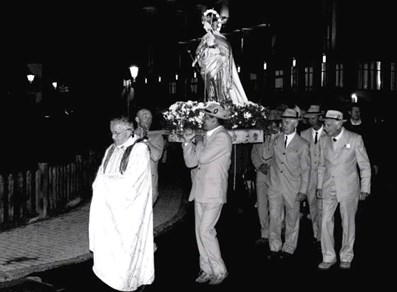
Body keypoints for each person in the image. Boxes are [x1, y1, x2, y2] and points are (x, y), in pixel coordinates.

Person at [88, 116, 154, 291]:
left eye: (116, 133)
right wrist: (102, 184)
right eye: (111, 133)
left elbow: (133, 183)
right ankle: (111, 280)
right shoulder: (111, 149)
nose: (113, 137)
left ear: (128, 131)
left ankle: (130, 283)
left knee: (127, 253)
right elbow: (101, 175)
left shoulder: (140, 150)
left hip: (129, 212)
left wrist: (104, 184)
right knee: (110, 249)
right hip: (110, 212)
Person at [182, 102, 232, 285]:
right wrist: (188, 142)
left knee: (206, 231)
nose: (203, 119)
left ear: (215, 120)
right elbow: (190, 163)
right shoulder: (206, 138)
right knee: (199, 232)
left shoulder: (222, 137)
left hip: (214, 192)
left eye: (207, 117)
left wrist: (199, 141)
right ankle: (206, 268)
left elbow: (202, 157)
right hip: (200, 191)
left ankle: (220, 270)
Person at [316, 110, 371, 270]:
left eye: (327, 125)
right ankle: (328, 256)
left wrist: (365, 188)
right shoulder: (323, 140)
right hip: (328, 187)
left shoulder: (355, 139)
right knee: (325, 221)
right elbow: (321, 165)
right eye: (325, 124)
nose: (325, 128)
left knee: (348, 223)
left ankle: (346, 256)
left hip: (348, 188)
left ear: (339, 124)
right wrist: (319, 186)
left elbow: (365, 165)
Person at [267, 106, 310, 260]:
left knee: (292, 219)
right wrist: (270, 139)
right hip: (275, 186)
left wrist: (303, 190)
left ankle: (289, 248)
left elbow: (306, 169)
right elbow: (267, 157)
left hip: (293, 188)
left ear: (295, 124)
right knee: (274, 218)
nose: (283, 125)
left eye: (286, 122)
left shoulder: (303, 144)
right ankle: (274, 247)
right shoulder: (276, 140)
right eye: (282, 122)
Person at [193, 9, 248, 105]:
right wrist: (197, 57)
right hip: (208, 64)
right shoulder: (205, 37)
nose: (205, 26)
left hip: (218, 64)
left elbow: (226, 51)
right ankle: (212, 100)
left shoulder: (220, 38)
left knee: (217, 81)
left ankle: (220, 100)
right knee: (209, 83)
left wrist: (217, 51)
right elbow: (199, 50)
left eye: (207, 23)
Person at [251, 110, 282, 245]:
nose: (270, 128)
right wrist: (259, 166)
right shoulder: (260, 136)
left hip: (276, 174)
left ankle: (277, 231)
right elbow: (253, 153)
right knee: (262, 203)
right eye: (268, 124)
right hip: (262, 173)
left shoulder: (282, 138)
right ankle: (264, 231)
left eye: (273, 124)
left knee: (275, 203)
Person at [300, 104, 325, 247]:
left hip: (324, 178)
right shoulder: (304, 134)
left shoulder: (328, 133)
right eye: (308, 118)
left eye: (313, 118)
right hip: (309, 178)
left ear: (320, 117)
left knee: (323, 208)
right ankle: (316, 234)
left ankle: (323, 236)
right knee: (313, 208)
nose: (311, 120)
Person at [134, 108, 166, 206]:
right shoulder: (128, 136)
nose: (148, 119)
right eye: (145, 116)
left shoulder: (157, 137)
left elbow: (156, 156)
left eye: (150, 117)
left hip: (149, 187)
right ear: (137, 119)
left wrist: (145, 140)